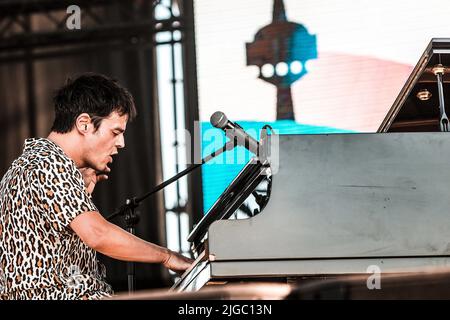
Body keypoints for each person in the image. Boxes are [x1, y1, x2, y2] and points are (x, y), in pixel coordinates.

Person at [0, 73, 193, 300]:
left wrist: (84, 190)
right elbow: (98, 234)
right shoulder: (49, 164)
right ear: (84, 124)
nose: (121, 143)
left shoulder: (38, 162)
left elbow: (58, 254)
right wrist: (167, 257)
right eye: (115, 132)